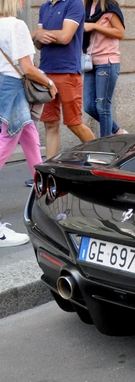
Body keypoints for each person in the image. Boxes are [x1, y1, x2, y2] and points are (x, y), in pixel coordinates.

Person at [1, 0, 57, 246]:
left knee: (30, 138)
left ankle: (47, 196)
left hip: (4, 86)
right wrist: (48, 83)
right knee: (6, 144)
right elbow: (27, 67)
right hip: (13, 88)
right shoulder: (16, 25)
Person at [32, 0, 96, 160]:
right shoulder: (45, 7)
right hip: (45, 73)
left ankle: (99, 157)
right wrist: (38, 35)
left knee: (74, 123)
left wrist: (40, 33)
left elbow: (65, 36)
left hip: (68, 73)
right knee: (50, 124)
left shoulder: (74, 3)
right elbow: (38, 43)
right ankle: (49, 169)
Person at [83, 0, 125, 137]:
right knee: (89, 106)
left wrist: (95, 26)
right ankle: (118, 131)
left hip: (107, 61)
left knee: (103, 107)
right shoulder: (87, 6)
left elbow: (120, 32)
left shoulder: (109, 5)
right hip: (90, 62)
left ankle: (105, 146)